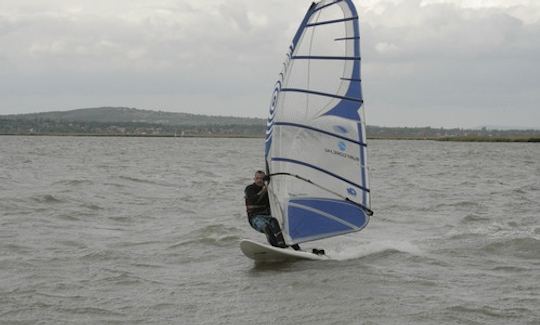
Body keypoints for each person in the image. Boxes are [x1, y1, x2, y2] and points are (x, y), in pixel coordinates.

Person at [244, 170, 300, 250]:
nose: (259, 180)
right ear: (254, 179)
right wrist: (264, 190)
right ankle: (276, 248)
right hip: (254, 218)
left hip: (268, 216)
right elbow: (254, 199)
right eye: (257, 178)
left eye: (262, 178)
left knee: (280, 226)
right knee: (266, 227)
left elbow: (279, 196)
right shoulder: (249, 189)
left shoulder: (269, 189)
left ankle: (297, 249)